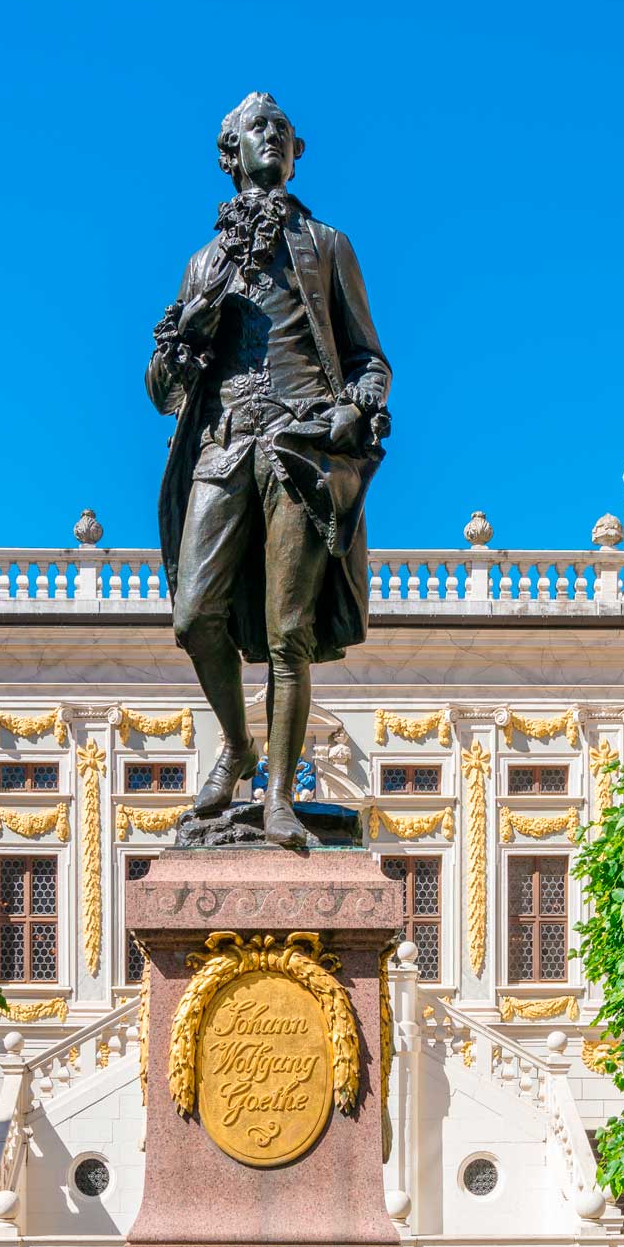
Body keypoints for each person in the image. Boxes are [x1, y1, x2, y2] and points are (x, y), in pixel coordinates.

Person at [145, 92, 391, 848]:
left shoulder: (327, 245)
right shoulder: (203, 263)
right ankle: (239, 746)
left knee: (289, 632)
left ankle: (278, 796)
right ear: (231, 152)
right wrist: (188, 332)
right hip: (222, 446)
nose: (273, 136)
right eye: (259, 128)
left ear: (295, 152)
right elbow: (161, 391)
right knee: (194, 616)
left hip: (299, 447)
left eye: (283, 129)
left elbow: (369, 360)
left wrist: (356, 406)